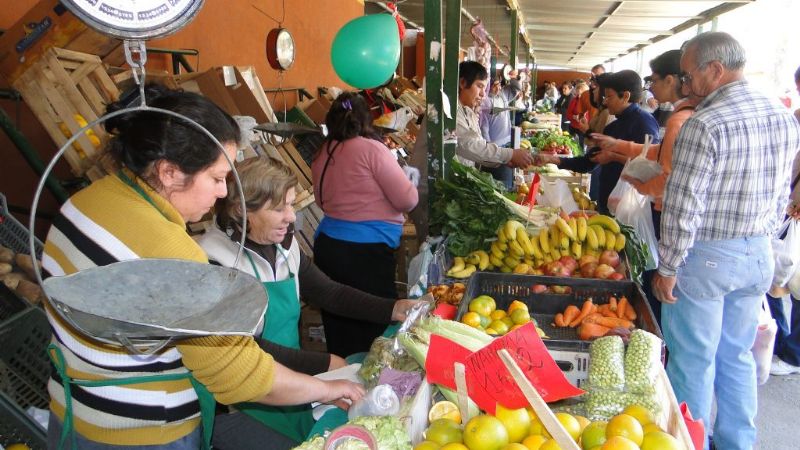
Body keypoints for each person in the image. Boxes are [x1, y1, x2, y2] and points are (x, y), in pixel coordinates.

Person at [41, 85, 365, 449]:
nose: (225, 193)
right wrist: (325, 387)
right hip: (142, 434)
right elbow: (239, 375)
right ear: (168, 172)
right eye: (216, 178)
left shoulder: (84, 202)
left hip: (72, 415)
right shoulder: (173, 251)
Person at [196, 156, 419, 447]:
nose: (291, 217)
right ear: (241, 210)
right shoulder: (214, 261)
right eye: (279, 208)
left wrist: (392, 308)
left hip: (291, 387)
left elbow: (329, 292)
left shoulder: (283, 246)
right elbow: (247, 348)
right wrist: (323, 363)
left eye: (290, 204)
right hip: (242, 403)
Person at [652, 32, 800, 450]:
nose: (685, 85)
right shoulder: (782, 117)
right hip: (757, 253)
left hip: (707, 257)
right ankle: (738, 442)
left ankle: (689, 441)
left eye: (687, 75)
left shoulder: (705, 123)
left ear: (714, 70)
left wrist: (668, 267)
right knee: (736, 357)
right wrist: (763, 240)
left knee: (693, 360)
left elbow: (684, 205)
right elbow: (780, 194)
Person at [591, 50, 696, 325]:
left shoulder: (677, 119)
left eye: (654, 80)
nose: (651, 87)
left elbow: (669, 174)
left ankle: (655, 335)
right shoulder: (682, 116)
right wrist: (619, 147)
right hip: (667, 218)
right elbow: (660, 151)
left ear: (671, 80)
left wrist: (640, 185)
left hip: (666, 217)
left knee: (655, 283)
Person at [311, 92, 418, 357]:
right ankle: (371, 389)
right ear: (365, 119)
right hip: (365, 254)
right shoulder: (371, 149)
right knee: (374, 329)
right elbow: (407, 199)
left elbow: (321, 200)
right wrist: (408, 179)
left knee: (340, 326)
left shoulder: (324, 150)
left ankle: (340, 385)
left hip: (329, 247)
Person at [537, 70, 659, 214]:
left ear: (625, 96)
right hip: (607, 202)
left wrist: (614, 157)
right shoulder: (613, 127)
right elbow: (588, 162)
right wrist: (552, 159)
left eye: (609, 96)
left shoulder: (645, 124)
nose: (605, 101)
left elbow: (651, 167)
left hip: (630, 208)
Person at [766, 64, 800, 376]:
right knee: (780, 280)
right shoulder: (794, 119)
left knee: (786, 279)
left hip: (792, 211)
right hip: (789, 210)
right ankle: (783, 346)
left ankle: (790, 353)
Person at [455, 61, 532, 172]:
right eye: (479, 86)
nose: (482, 94)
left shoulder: (468, 111)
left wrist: (505, 159)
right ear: (462, 83)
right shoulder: (450, 110)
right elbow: (468, 145)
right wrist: (509, 155)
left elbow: (479, 143)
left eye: (484, 88)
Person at [479, 79, 514, 189]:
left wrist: (513, 77)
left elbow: (516, 87)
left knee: (504, 186)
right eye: (495, 86)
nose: (498, 88)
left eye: (499, 85)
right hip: (493, 150)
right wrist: (492, 151)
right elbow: (484, 131)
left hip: (502, 148)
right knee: (496, 185)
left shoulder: (502, 96)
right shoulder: (485, 101)